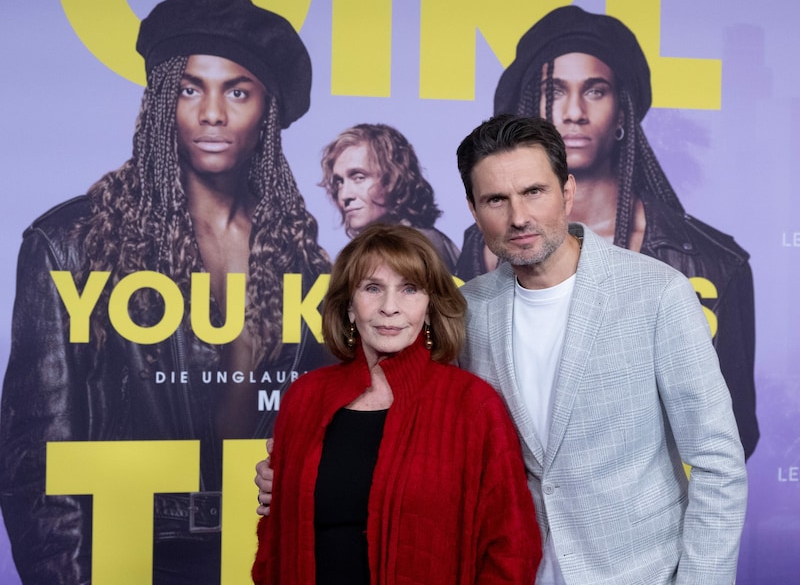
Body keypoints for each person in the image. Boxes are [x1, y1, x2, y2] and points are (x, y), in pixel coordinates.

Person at [0, 0, 330, 584]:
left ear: (267, 112)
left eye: (237, 90)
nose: (211, 113)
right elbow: (37, 461)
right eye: (187, 88)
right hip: (126, 552)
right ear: (159, 105)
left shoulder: (303, 263)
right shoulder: (71, 243)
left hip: (262, 554)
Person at [455, 5, 759, 458]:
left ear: (623, 112)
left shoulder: (711, 263)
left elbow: (729, 438)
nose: (574, 112)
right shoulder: (470, 264)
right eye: (553, 90)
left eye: (594, 91)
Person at [456, 114, 747, 584]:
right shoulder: (467, 310)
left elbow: (717, 461)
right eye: (496, 199)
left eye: (534, 191)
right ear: (474, 210)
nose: (519, 217)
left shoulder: (657, 293)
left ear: (567, 192)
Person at [252, 223, 540, 584]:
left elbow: (512, 548)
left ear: (430, 306)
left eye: (409, 289)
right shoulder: (305, 397)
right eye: (373, 288)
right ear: (349, 307)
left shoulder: (473, 405)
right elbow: (273, 545)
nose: (390, 307)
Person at [319, 123, 461, 271]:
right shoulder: (387, 245)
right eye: (339, 182)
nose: (344, 195)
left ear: (394, 178)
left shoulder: (417, 247)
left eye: (359, 178)